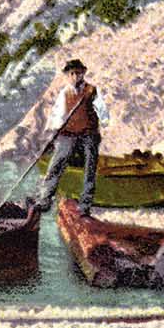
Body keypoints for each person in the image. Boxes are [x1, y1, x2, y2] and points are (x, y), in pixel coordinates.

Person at [35, 57, 110, 217]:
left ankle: (85, 205)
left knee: (89, 168)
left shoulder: (91, 91)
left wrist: (102, 124)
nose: (75, 76)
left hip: (88, 135)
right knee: (56, 165)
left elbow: (103, 112)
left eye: (78, 73)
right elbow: (57, 115)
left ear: (83, 73)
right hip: (67, 135)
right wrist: (53, 132)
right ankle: (45, 199)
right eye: (72, 74)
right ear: (68, 76)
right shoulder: (65, 93)